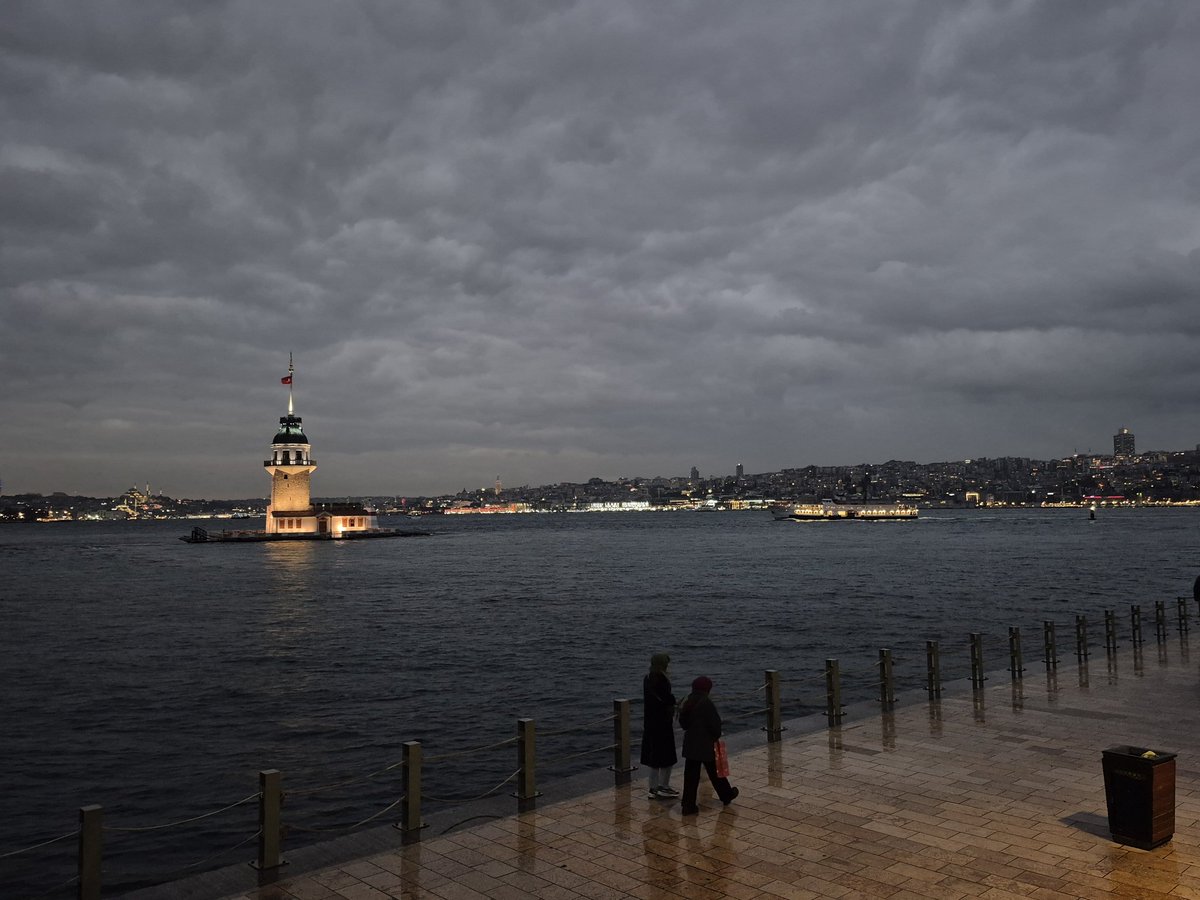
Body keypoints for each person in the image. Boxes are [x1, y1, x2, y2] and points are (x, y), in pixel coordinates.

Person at [678, 675, 738, 814]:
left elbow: (684, 723)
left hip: (691, 745)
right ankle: (726, 795)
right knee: (716, 773)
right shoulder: (706, 703)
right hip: (706, 745)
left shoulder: (688, 701)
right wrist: (716, 736)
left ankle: (688, 805)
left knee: (691, 777)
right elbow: (715, 726)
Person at [641, 652, 679, 798]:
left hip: (650, 723)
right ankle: (664, 786)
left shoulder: (647, 678)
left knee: (654, 758)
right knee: (667, 757)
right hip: (663, 723)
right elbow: (668, 699)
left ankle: (653, 788)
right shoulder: (662, 680)